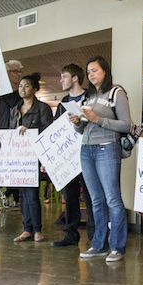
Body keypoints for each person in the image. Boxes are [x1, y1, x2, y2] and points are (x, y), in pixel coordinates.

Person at [71, 57, 131, 263]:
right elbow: (81, 130)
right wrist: (77, 122)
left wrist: (99, 120)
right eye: (88, 72)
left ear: (105, 71)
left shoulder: (116, 92)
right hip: (86, 148)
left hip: (107, 147)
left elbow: (126, 125)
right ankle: (98, 245)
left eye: (94, 70)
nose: (91, 74)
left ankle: (117, 247)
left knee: (112, 198)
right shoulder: (86, 97)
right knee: (95, 200)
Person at [51, 64, 96, 248]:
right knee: (69, 196)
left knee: (90, 194)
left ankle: (95, 236)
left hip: (86, 154)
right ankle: (70, 234)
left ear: (75, 78)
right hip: (67, 158)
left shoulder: (90, 98)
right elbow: (55, 130)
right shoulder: (63, 102)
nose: (61, 80)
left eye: (64, 76)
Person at [12, 73, 54, 243]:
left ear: (35, 89)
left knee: (32, 194)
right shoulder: (14, 109)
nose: (22, 88)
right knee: (23, 194)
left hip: (34, 156)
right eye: (20, 85)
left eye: (26, 86)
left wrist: (29, 129)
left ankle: (37, 229)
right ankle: (26, 229)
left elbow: (47, 132)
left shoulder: (42, 108)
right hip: (19, 156)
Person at [0, 59, 23, 232]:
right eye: (15, 71)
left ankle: (29, 226)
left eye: (20, 71)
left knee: (23, 184)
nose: (19, 75)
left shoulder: (24, 95)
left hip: (18, 144)